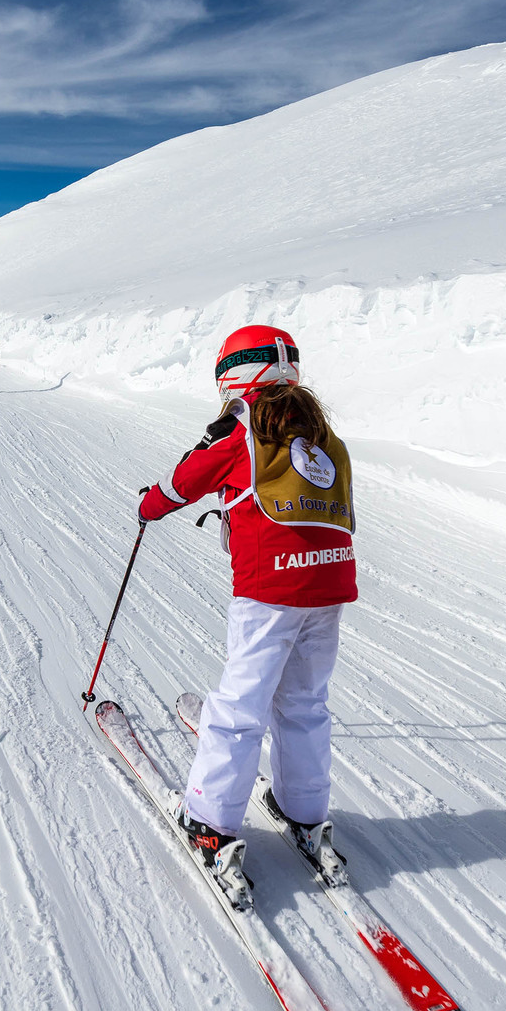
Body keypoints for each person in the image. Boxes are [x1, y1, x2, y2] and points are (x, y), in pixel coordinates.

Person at [136, 326, 355, 885]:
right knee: (304, 701)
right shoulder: (321, 431)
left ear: (235, 371)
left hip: (270, 588)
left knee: (240, 707)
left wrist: (150, 504)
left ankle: (210, 822)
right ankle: (305, 812)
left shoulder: (245, 427)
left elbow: (186, 481)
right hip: (328, 583)